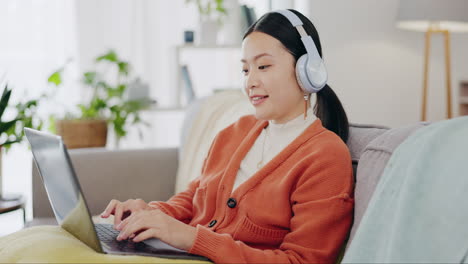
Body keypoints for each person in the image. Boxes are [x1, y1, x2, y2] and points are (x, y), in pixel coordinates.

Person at [101, 9, 354, 264]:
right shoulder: (235, 132)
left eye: (263, 66)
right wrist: (150, 213)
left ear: (307, 70)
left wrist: (191, 238)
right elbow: (194, 198)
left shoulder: (325, 156)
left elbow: (302, 260)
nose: (250, 82)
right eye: (245, 70)